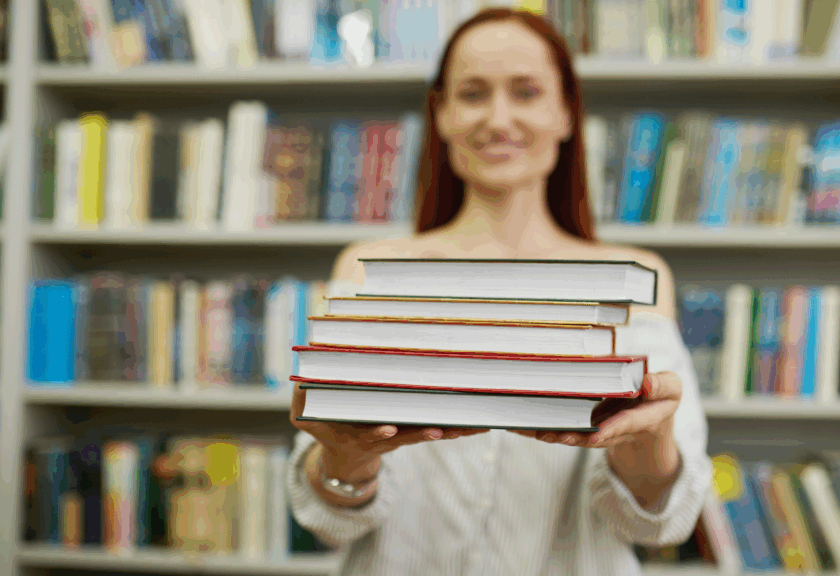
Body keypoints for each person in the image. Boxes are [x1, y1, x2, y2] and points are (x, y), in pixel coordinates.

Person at [287, 7, 713, 575]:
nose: (498, 117)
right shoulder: (371, 271)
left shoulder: (632, 279)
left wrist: (646, 447)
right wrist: (345, 459)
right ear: (440, 114)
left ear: (565, 112)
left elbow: (659, 523)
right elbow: (328, 520)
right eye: (472, 93)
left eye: (527, 92)